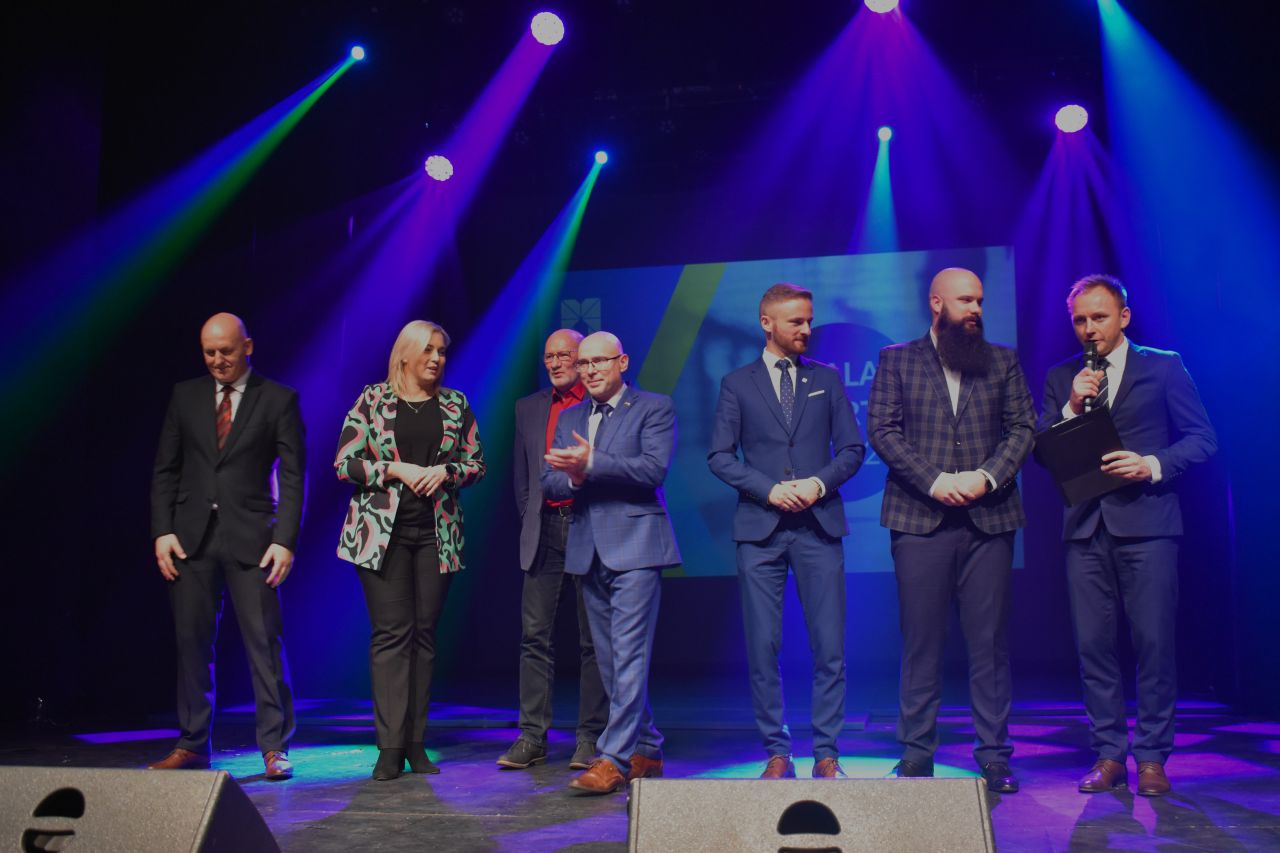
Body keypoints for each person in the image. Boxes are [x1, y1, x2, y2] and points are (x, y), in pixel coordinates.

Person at [1040, 274, 1216, 797]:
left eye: (1099, 317)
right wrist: (1071, 408)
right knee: (1093, 646)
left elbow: (1202, 439)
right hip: (1085, 527)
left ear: (1124, 317)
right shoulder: (1062, 377)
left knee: (1154, 643)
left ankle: (1153, 757)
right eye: (1080, 320)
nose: (1089, 329)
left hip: (1148, 525)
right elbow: (1042, 451)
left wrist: (1151, 464)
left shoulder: (1163, 367)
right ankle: (1109, 754)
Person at [867, 267, 1035, 793]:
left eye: (980, 300)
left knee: (990, 645)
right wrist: (935, 481)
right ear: (937, 303)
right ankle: (917, 755)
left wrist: (986, 477)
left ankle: (995, 757)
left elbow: (1023, 428)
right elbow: (883, 431)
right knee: (922, 643)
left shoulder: (1003, 359)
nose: (976, 309)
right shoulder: (897, 359)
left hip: (989, 520)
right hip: (920, 520)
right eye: (966, 300)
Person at [707, 283, 865, 779]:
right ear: (767, 323)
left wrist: (818, 484)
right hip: (761, 531)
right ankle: (777, 751)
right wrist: (769, 490)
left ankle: (826, 753)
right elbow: (719, 456)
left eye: (809, 320)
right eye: (796, 321)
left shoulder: (827, 378)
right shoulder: (737, 383)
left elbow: (852, 450)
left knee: (829, 646)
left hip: (819, 527)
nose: (807, 329)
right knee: (762, 646)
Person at [149, 312, 304, 780]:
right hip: (190, 539)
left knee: (264, 643)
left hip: (253, 539)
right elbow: (166, 469)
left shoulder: (277, 399)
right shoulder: (185, 395)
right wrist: (162, 531)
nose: (218, 360)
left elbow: (294, 477)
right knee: (192, 644)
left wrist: (285, 541)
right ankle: (193, 743)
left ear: (247, 347)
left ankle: (274, 747)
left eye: (226, 351)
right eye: (209, 352)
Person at [335, 320, 485, 781]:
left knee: (423, 636)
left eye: (441, 351)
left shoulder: (456, 404)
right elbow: (345, 463)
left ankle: (416, 744)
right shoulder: (373, 400)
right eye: (428, 350)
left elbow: (476, 463)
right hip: (382, 536)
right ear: (405, 355)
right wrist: (395, 469)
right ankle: (389, 747)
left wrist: (447, 473)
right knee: (391, 635)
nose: (437, 358)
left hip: (437, 534)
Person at [542, 332, 680, 794]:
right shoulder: (570, 417)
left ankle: (613, 757)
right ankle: (649, 746)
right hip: (588, 549)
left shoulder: (653, 407)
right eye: (583, 364)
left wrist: (591, 463)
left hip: (637, 546)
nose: (590, 370)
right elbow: (550, 483)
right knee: (610, 662)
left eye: (599, 361)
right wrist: (575, 479)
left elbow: (653, 469)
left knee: (629, 654)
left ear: (622, 362)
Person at [497, 329, 607, 771]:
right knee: (534, 636)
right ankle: (531, 737)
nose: (556, 363)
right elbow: (522, 475)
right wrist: (532, 514)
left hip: (588, 525)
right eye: (549, 356)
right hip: (543, 530)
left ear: (582, 359)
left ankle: (591, 737)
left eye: (565, 355)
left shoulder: (601, 401)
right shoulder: (528, 407)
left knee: (593, 640)